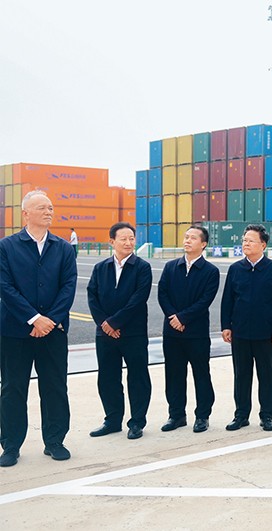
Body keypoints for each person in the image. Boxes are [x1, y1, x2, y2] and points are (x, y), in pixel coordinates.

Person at [0, 191, 77, 467]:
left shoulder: (63, 248)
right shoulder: (6, 246)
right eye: (42, 208)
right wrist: (33, 318)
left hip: (53, 332)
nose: (48, 212)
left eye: (51, 208)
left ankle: (54, 441)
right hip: (15, 331)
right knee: (13, 388)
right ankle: (11, 445)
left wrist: (49, 320)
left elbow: (68, 286)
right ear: (26, 214)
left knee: (55, 386)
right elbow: (5, 287)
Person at [86, 222, 153, 440]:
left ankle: (137, 422)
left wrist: (115, 322)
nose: (128, 243)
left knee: (138, 377)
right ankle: (112, 420)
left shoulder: (142, 267)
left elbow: (138, 299)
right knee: (108, 377)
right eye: (123, 239)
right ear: (112, 242)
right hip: (105, 334)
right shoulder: (101, 268)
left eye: (131, 238)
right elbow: (92, 296)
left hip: (133, 333)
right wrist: (104, 323)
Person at [157, 225, 220, 433]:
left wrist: (183, 318)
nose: (187, 241)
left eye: (193, 238)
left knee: (201, 374)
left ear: (203, 244)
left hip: (196, 333)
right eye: (186, 237)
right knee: (174, 374)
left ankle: (202, 416)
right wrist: (173, 317)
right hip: (172, 332)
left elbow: (205, 301)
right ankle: (176, 415)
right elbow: (162, 294)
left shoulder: (210, 271)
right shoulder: (170, 267)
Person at [220, 225, 272, 433]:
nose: (246, 244)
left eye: (251, 241)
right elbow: (227, 300)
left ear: (263, 245)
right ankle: (241, 415)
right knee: (241, 375)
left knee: (266, 375)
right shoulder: (236, 269)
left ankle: (267, 415)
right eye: (244, 240)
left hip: (265, 334)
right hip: (240, 332)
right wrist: (226, 326)